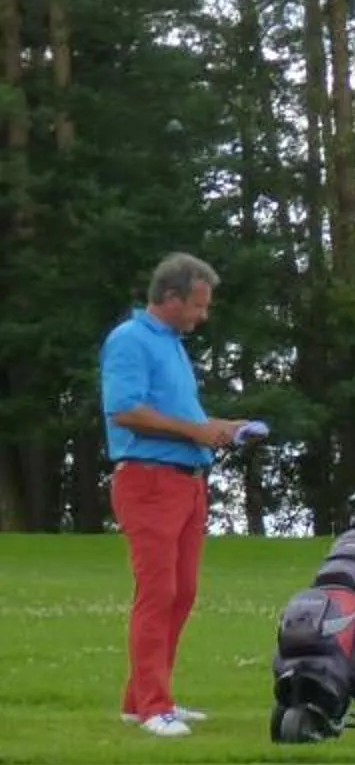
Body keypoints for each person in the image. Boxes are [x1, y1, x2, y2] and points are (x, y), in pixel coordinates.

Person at [101, 253, 256, 738]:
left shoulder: (171, 344)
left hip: (188, 482)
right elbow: (125, 411)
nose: (202, 315)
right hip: (149, 480)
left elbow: (183, 416)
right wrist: (196, 431)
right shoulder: (130, 339)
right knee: (158, 592)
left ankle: (142, 699)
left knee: (183, 591)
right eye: (197, 305)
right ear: (170, 298)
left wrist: (221, 427)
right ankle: (154, 706)